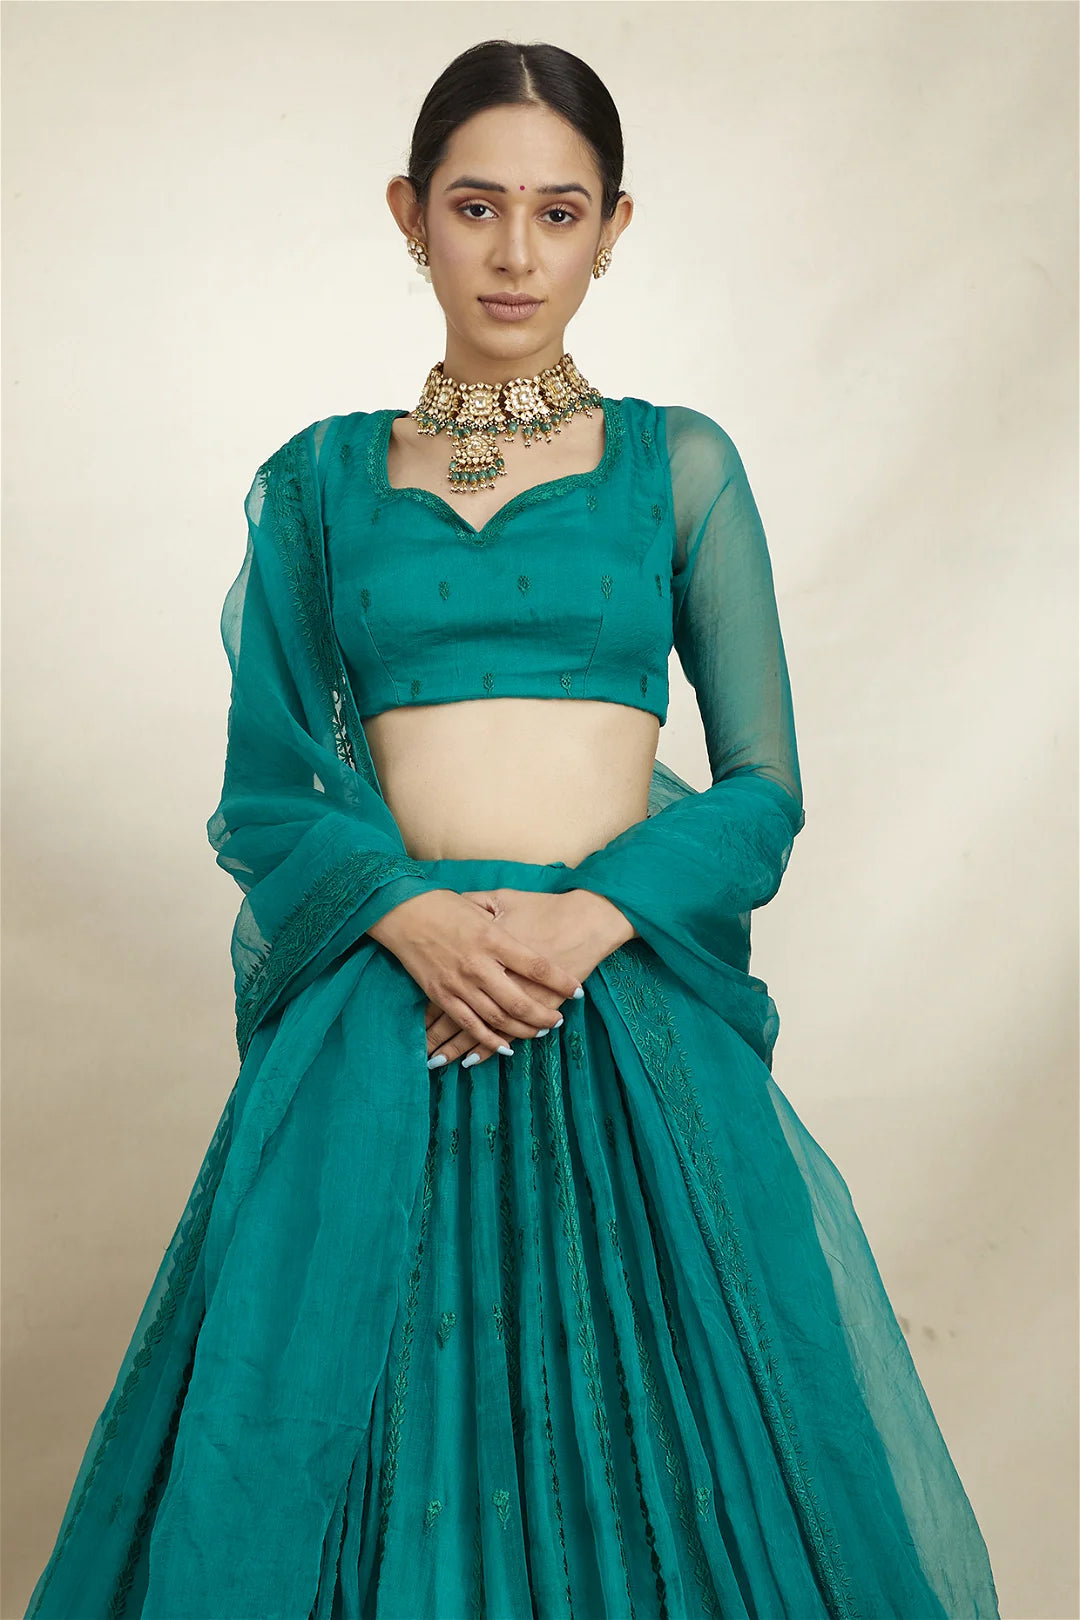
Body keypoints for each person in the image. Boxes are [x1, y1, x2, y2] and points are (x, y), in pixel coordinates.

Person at [25, 37, 1001, 1620]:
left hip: (621, 1013)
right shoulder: (321, 484)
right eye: (477, 207)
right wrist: (407, 914)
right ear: (409, 215)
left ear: (614, 229)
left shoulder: (680, 466)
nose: (515, 253)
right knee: (317, 1452)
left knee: (677, 1469)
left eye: (560, 212)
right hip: (384, 1020)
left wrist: (584, 921)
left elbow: (763, 786)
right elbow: (268, 789)